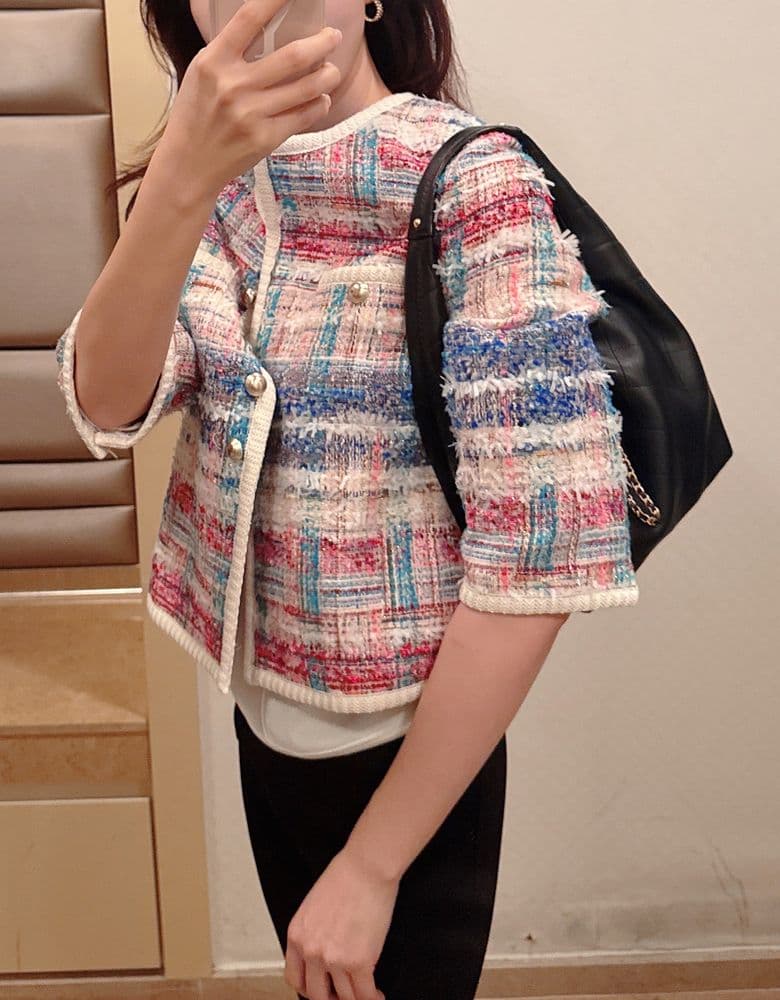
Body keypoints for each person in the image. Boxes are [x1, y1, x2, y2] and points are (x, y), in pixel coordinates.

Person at [55, 1, 640, 997]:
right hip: (263, 725)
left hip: (411, 759)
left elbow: (541, 553)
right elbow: (108, 403)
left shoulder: (479, 184)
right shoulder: (218, 188)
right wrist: (180, 175)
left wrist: (372, 867)